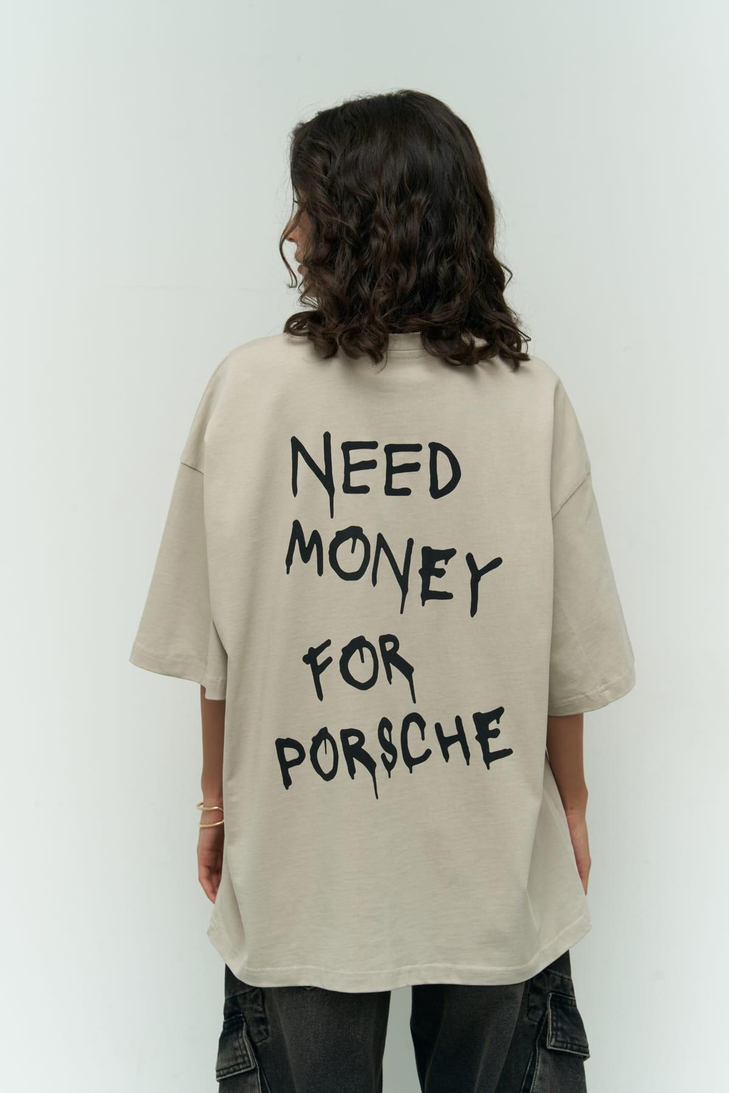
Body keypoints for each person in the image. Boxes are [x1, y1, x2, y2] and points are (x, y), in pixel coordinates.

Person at [128, 89, 636, 1093]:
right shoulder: (530, 400)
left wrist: (216, 799)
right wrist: (569, 801)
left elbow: (211, 648)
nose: (291, 231)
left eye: (306, 206)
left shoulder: (245, 390)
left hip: (300, 860)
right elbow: (568, 659)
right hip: (491, 850)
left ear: (356, 222)